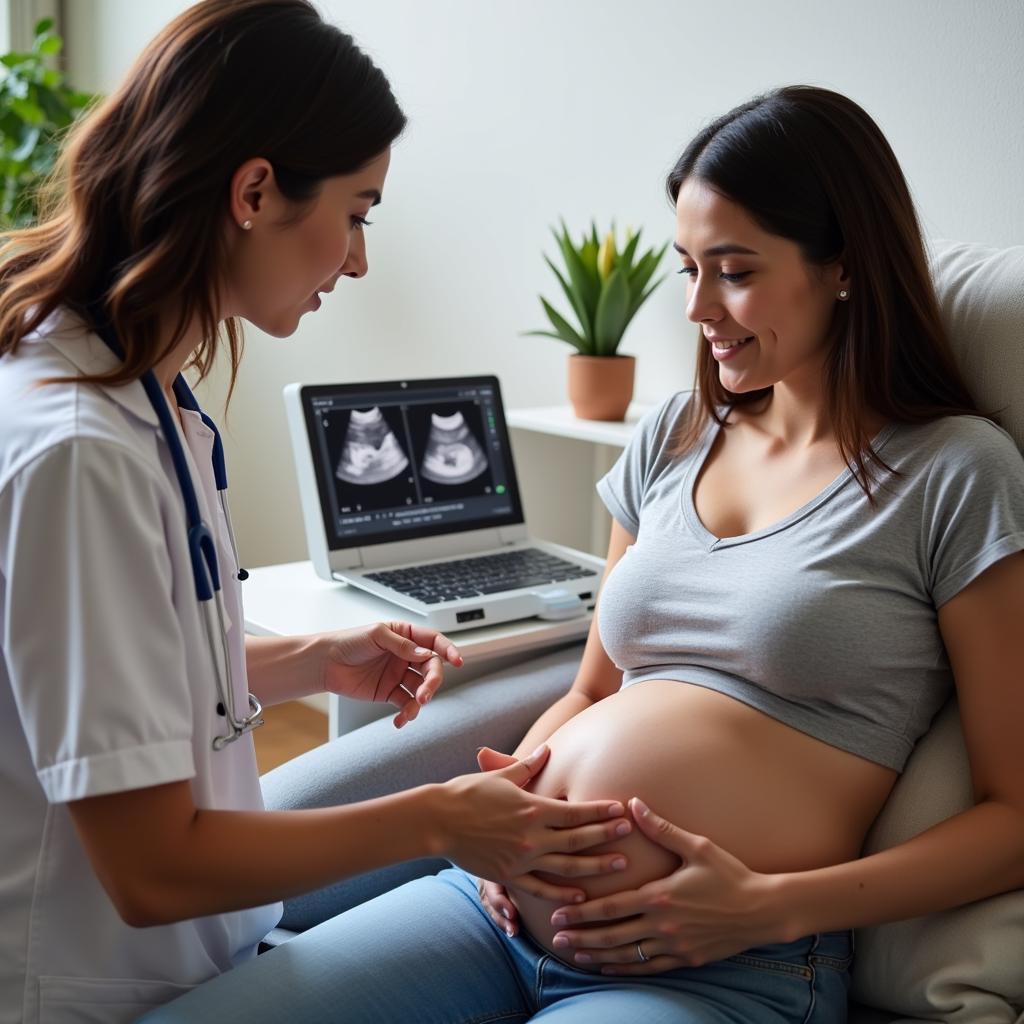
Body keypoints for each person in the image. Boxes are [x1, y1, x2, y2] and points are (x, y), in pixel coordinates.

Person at [140, 84, 1024, 1024]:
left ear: (844, 265)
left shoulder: (955, 474)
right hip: (491, 912)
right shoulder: (679, 433)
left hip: (722, 960)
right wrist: (506, 816)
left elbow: (1013, 819)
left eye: (733, 270)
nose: (696, 308)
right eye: (687, 267)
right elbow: (594, 690)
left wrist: (771, 905)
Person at [0, 3, 634, 1022]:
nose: (360, 258)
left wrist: (303, 661)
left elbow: (86, 686)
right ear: (255, 190)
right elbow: (153, 867)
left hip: (206, 946)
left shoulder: (147, 392)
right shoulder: (81, 449)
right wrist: (439, 821)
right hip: (96, 987)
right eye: (360, 210)